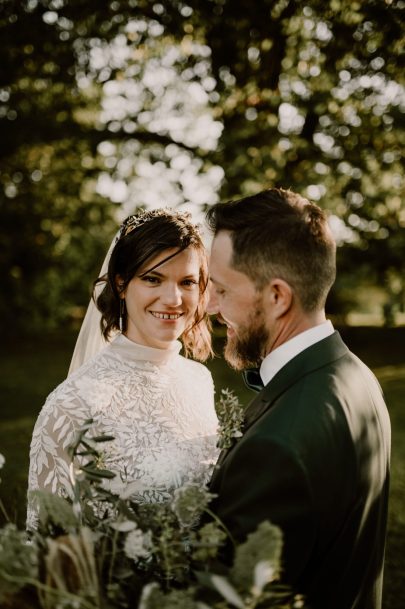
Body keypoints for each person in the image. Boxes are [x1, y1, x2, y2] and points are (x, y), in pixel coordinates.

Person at [206, 188, 390, 609]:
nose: (212, 308)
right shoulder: (358, 378)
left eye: (222, 290)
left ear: (277, 297)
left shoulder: (275, 448)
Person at [27, 209, 219, 529]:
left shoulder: (201, 380)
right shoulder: (72, 405)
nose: (173, 299)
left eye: (187, 282)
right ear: (121, 284)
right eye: (152, 279)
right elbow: (48, 547)